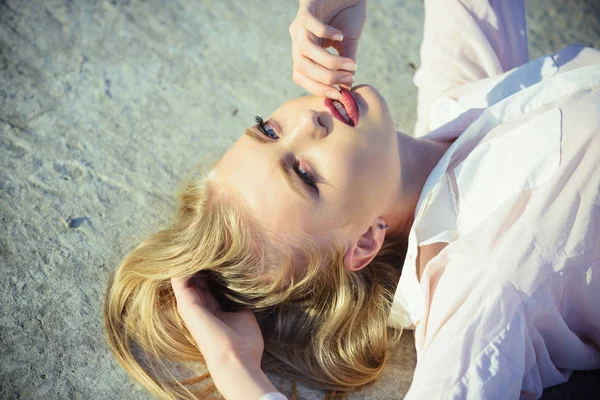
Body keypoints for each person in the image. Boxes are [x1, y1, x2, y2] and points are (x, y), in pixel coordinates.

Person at [103, 0, 600, 399]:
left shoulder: (458, 104)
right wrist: (236, 371)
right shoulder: (485, 282)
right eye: (304, 173)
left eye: (268, 129)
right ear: (363, 243)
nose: (308, 122)